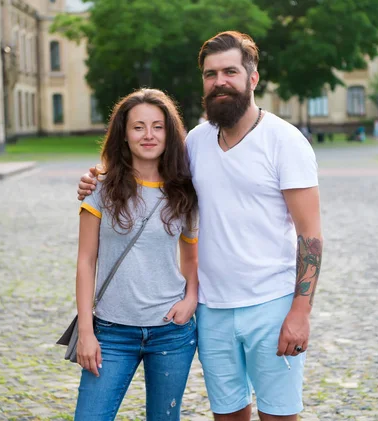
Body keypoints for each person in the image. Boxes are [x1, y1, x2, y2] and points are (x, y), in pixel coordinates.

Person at [78, 31, 323, 421]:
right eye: (211, 74)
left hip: (270, 305)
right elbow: (149, 173)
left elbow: (310, 235)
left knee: (278, 415)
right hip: (212, 309)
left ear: (253, 77)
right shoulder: (195, 142)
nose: (220, 81)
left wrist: (300, 311)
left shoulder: (285, 141)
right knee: (227, 414)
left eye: (230, 71)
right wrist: (97, 178)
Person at [74, 88, 199, 421]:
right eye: (138, 127)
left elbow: (191, 257)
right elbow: (86, 262)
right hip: (112, 331)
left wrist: (191, 300)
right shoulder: (100, 187)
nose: (148, 135)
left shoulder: (184, 190)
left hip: (170, 331)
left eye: (158, 126)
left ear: (169, 134)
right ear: (124, 135)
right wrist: (86, 332)